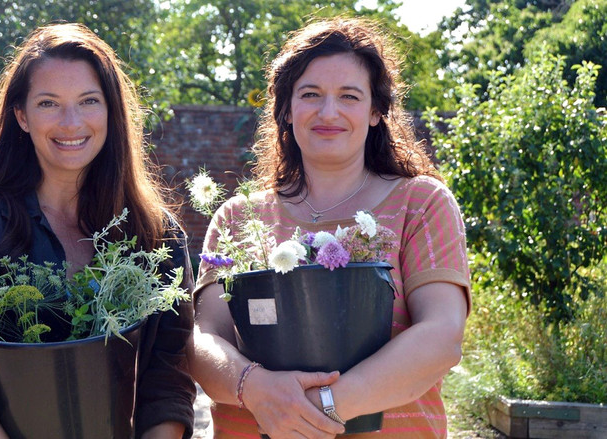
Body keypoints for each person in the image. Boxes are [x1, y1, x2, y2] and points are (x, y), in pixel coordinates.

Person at [189, 16, 470, 439]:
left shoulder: (420, 204)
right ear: (285, 109)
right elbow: (204, 340)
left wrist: (317, 410)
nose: (328, 112)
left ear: (376, 111)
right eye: (311, 94)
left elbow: (442, 335)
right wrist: (257, 391)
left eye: (349, 96)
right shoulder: (238, 218)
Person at [0, 23, 196, 439]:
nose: (71, 122)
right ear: (21, 116)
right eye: (49, 103)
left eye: (88, 101)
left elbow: (169, 373)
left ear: (111, 112)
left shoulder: (157, 233)